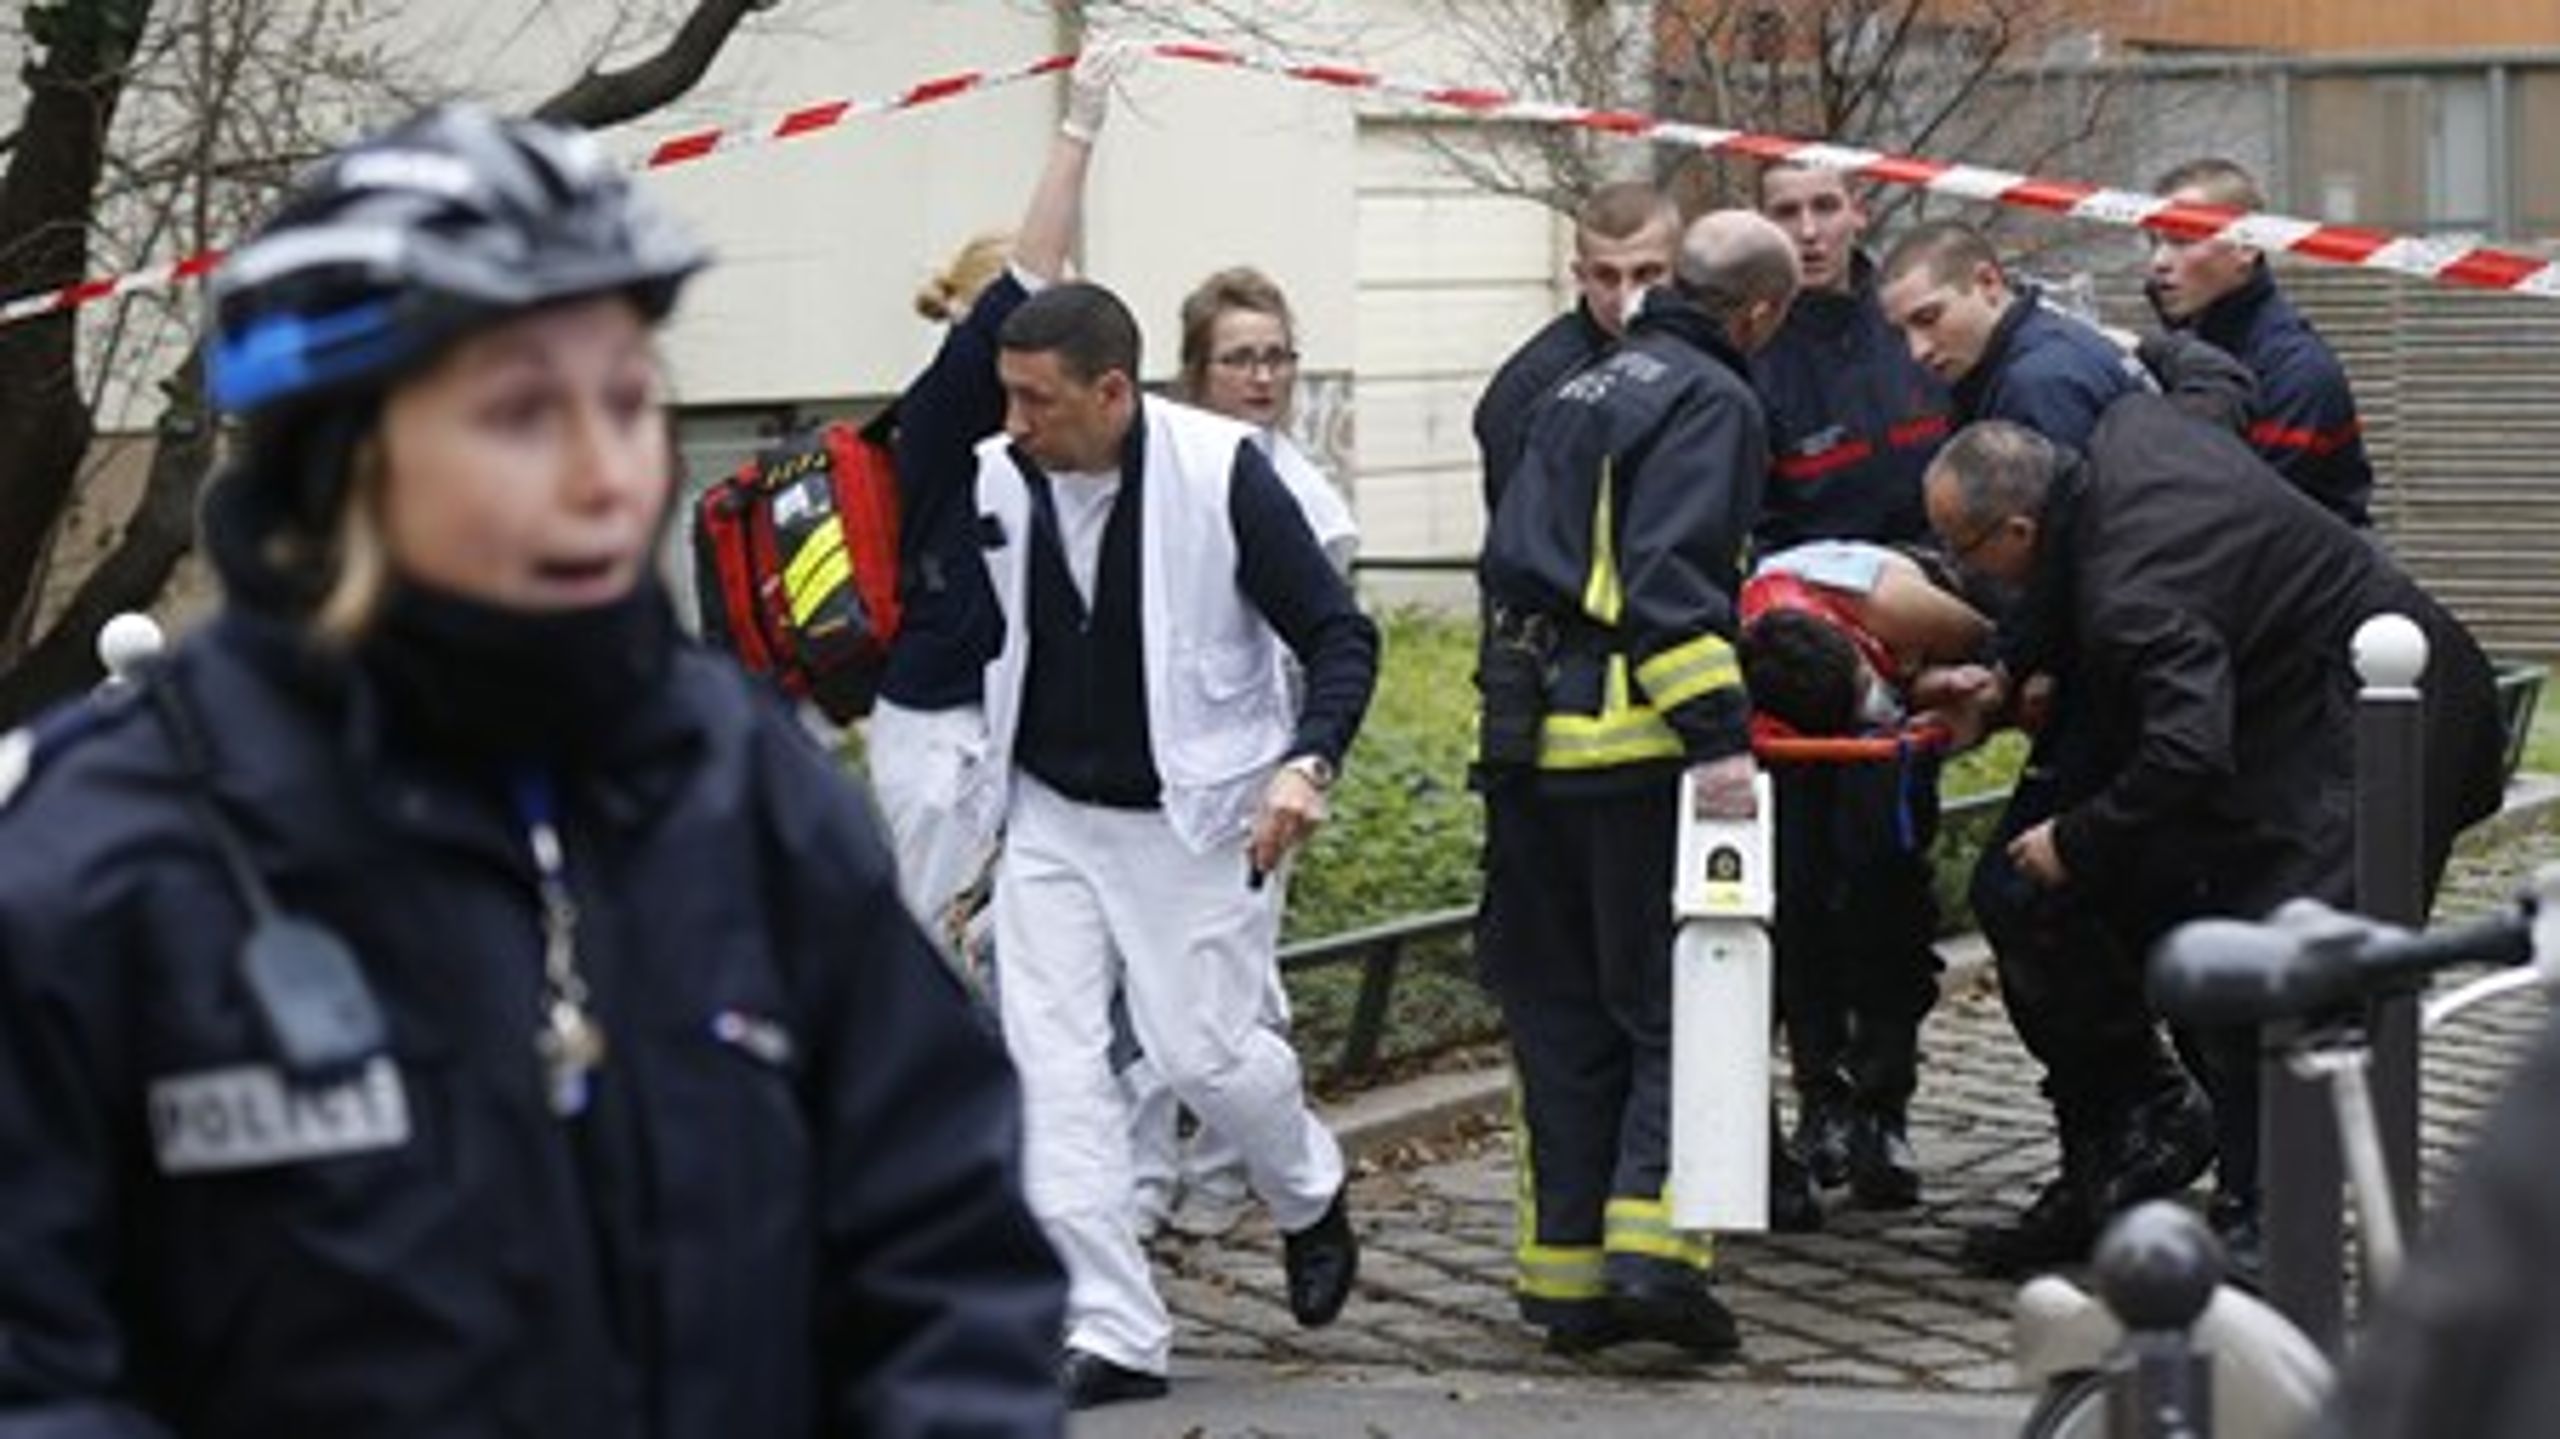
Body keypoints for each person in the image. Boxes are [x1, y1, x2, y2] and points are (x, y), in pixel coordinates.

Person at [0, 105, 1066, 1436]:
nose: (607, 473)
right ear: (339, 463)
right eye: (518, 413)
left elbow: (949, 1252)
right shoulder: (93, 859)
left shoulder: (742, 786)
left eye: (626, 400)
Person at [1922, 411, 2505, 1278]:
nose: (1964, 573)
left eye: (1965, 550)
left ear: (2017, 528)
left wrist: (2075, 840)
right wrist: (2009, 668)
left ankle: (2271, 1233)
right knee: (2217, 949)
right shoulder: (2127, 431)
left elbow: (2187, 748)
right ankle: (2222, 1180)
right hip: (2307, 706)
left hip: (2384, 724)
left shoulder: (2135, 591)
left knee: (2285, 970)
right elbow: (2206, 385)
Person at [963, 280, 1378, 1409]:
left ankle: (1304, 1187)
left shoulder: (1222, 472)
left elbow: (1339, 634)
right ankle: (1112, 1325)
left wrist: (1308, 760)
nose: (1013, 422)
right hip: (1048, 813)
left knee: (1200, 1052)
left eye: (1034, 400)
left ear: (1110, 391)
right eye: (1007, 397)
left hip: (1194, 816)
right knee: (1052, 1070)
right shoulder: (1001, 475)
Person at [1473, 210, 1799, 1358]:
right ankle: (1657, 1268)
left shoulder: (1579, 386)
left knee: (1559, 1018)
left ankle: (1565, 1283)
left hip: (1529, 750)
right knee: (1678, 1008)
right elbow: (1669, 583)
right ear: (1759, 310)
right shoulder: (1713, 398)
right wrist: (1721, 741)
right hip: (1636, 751)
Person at [1878, 219, 2215, 1276]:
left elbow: (2065, 557)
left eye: (1929, 318)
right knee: (2085, 908)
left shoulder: (2040, 383)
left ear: (1986, 282)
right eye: (1903, 331)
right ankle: (2128, 1148)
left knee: (2029, 892)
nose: (1918, 350)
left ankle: (2136, 1123)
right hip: (2127, 681)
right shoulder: (2023, 364)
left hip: (2133, 691)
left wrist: (2010, 671)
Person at [1114, 266, 1362, 1245]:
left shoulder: (1304, 491)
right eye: (1239, 359)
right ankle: (1144, 1175)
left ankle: (1226, 1174)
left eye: (1276, 356)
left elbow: (1329, 641)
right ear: (1194, 372)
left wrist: (1303, 764)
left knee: (1233, 987)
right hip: (1153, 771)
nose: (1262, 377)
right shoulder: (1167, 468)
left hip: (1260, 772)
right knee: (1141, 988)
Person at [870, 46, 1125, 938]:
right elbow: (1029, 273)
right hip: (945, 732)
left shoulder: (1023, 440)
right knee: (943, 952)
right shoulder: (950, 409)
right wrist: (1078, 129)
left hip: (986, 725)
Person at [1750, 162, 1959, 1219]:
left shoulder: (1905, 330)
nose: (1806, 229)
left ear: (1858, 213)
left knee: (1886, 888)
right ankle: (1818, 1092)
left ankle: (1884, 1098)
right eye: (1784, 211)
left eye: (1823, 207)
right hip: (1798, 668)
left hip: (1915, 649)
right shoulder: (1758, 353)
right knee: (1793, 892)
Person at [2147, 157, 2374, 527]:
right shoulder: (2183, 346)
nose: (2158, 262)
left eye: (2182, 241)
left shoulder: (2296, 370)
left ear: (2246, 247)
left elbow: (2243, 516)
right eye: (2154, 242)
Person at [1473, 180, 1682, 512]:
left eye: (1646, 274)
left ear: (1679, 269)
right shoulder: (1532, 384)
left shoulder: (1702, 356)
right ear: (1580, 275)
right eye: (1606, 276)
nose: (1625, 296)